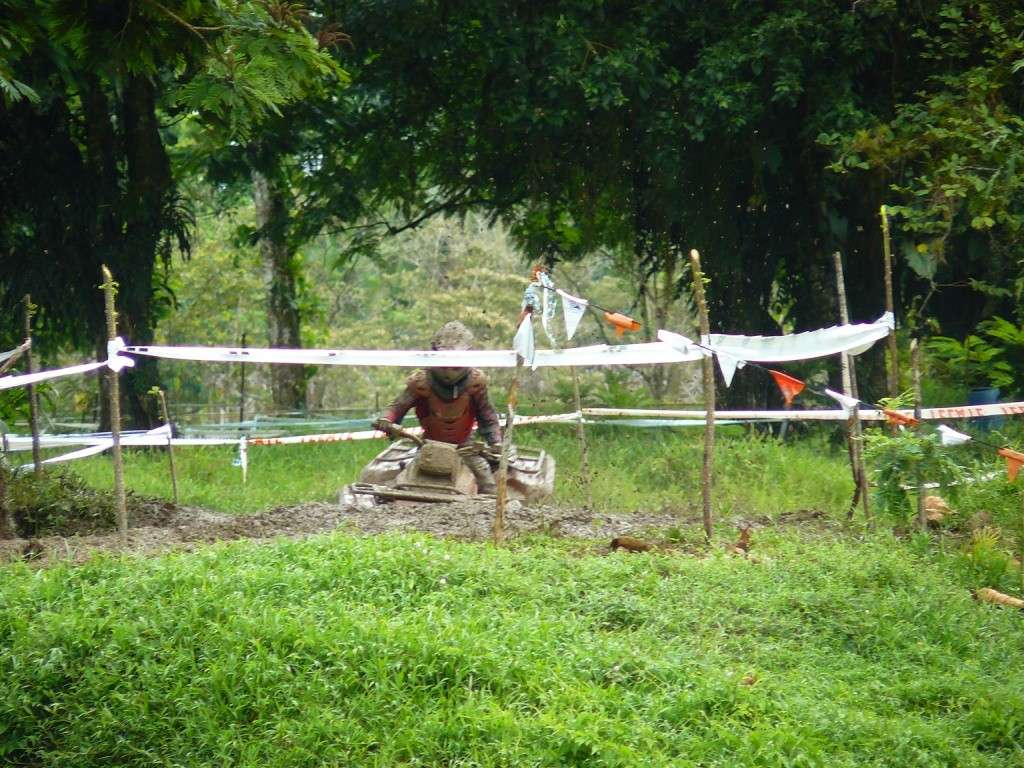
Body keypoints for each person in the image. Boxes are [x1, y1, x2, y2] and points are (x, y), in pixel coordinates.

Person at [372, 321, 502, 493]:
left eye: (455, 360)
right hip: (427, 445)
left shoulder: (476, 383)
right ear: (434, 354)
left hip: (465, 446)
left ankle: (490, 511)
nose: (448, 368)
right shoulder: (421, 383)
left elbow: (488, 417)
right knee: (399, 480)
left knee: (487, 481)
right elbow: (397, 406)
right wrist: (386, 420)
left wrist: (496, 443)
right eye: (444, 359)